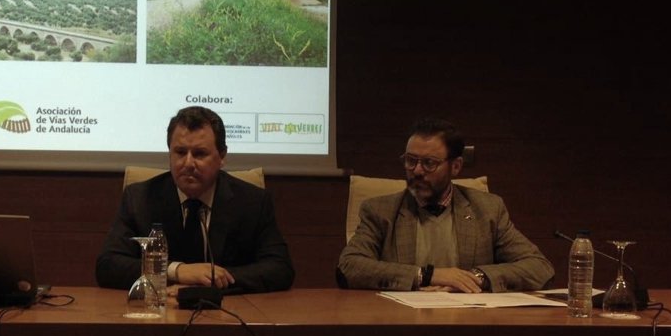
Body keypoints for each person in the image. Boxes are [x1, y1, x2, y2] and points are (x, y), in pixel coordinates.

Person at [337, 117, 553, 292]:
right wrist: (426, 276)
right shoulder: (380, 211)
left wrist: (476, 278)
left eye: (429, 163)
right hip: (403, 320)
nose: (417, 171)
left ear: (456, 166)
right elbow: (349, 266)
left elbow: (539, 267)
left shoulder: (487, 210)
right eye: (411, 160)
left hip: (470, 319)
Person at [96, 106, 294, 294]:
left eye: (199, 154)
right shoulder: (140, 199)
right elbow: (108, 265)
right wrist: (177, 271)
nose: (188, 163)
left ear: (222, 156)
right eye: (180, 152)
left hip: (227, 311)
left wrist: (211, 280)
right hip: (161, 310)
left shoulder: (252, 201)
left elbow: (280, 268)